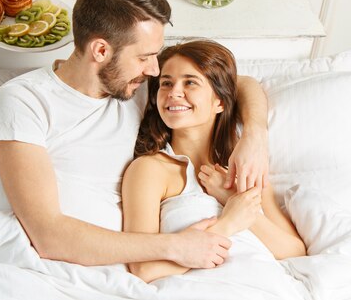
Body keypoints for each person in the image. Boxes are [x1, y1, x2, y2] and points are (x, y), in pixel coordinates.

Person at [0, 0, 270, 270]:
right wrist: (178, 246)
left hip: (132, 269)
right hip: (61, 266)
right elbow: (48, 235)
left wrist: (254, 135)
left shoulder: (136, 87)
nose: (155, 70)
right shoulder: (24, 102)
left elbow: (240, 85)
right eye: (145, 57)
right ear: (101, 50)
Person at [122, 40, 306, 283]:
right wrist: (227, 224)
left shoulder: (245, 170)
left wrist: (231, 198)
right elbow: (144, 269)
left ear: (219, 101)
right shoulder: (150, 170)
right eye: (166, 83)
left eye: (190, 82)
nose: (174, 92)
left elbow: (295, 251)